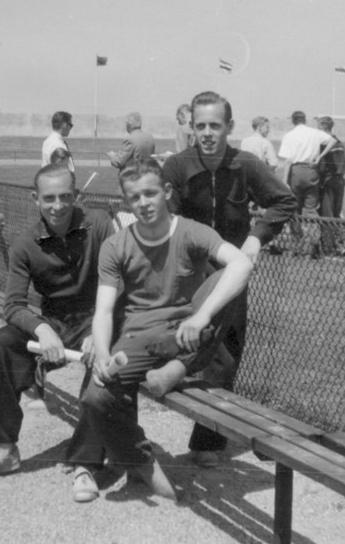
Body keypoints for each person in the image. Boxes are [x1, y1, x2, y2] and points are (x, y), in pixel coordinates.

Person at [79, 159, 254, 500]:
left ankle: (179, 367)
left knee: (233, 279)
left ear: (167, 192)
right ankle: (142, 463)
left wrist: (201, 316)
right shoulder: (116, 245)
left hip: (188, 330)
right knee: (96, 397)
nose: (143, 203)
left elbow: (242, 262)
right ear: (126, 201)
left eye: (150, 193)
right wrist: (102, 354)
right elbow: (103, 310)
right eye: (134, 197)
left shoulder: (190, 230)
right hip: (141, 335)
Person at [0, 164, 117, 503]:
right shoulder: (25, 243)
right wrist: (43, 329)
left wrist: (101, 331)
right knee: (1, 343)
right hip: (56, 321)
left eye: (65, 197)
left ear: (77, 196)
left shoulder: (101, 225)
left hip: (99, 316)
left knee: (101, 362)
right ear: (36, 199)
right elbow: (14, 304)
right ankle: (5, 448)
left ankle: (86, 463)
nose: (58, 205)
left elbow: (124, 282)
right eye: (49, 198)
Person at [161, 91, 297, 468]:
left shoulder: (246, 164)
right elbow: (162, 217)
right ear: (191, 126)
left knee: (224, 355)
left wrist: (256, 238)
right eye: (200, 125)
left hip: (231, 273)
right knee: (174, 341)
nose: (206, 133)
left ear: (229, 128)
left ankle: (207, 442)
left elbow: (284, 201)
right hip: (190, 272)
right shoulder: (176, 165)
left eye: (214, 126)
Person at [278, 110, 335, 258]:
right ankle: (313, 244)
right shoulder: (314, 133)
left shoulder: (289, 135)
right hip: (311, 170)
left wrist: (284, 180)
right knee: (311, 208)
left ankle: (297, 243)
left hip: (296, 170)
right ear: (305, 120)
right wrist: (319, 157)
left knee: (294, 208)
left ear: (293, 121)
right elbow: (332, 140)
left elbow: (288, 160)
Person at [315, 116, 345, 256]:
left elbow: (323, 166)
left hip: (329, 181)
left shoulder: (326, 144)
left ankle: (330, 246)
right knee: (336, 213)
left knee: (327, 214)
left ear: (323, 128)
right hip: (340, 181)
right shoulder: (339, 143)